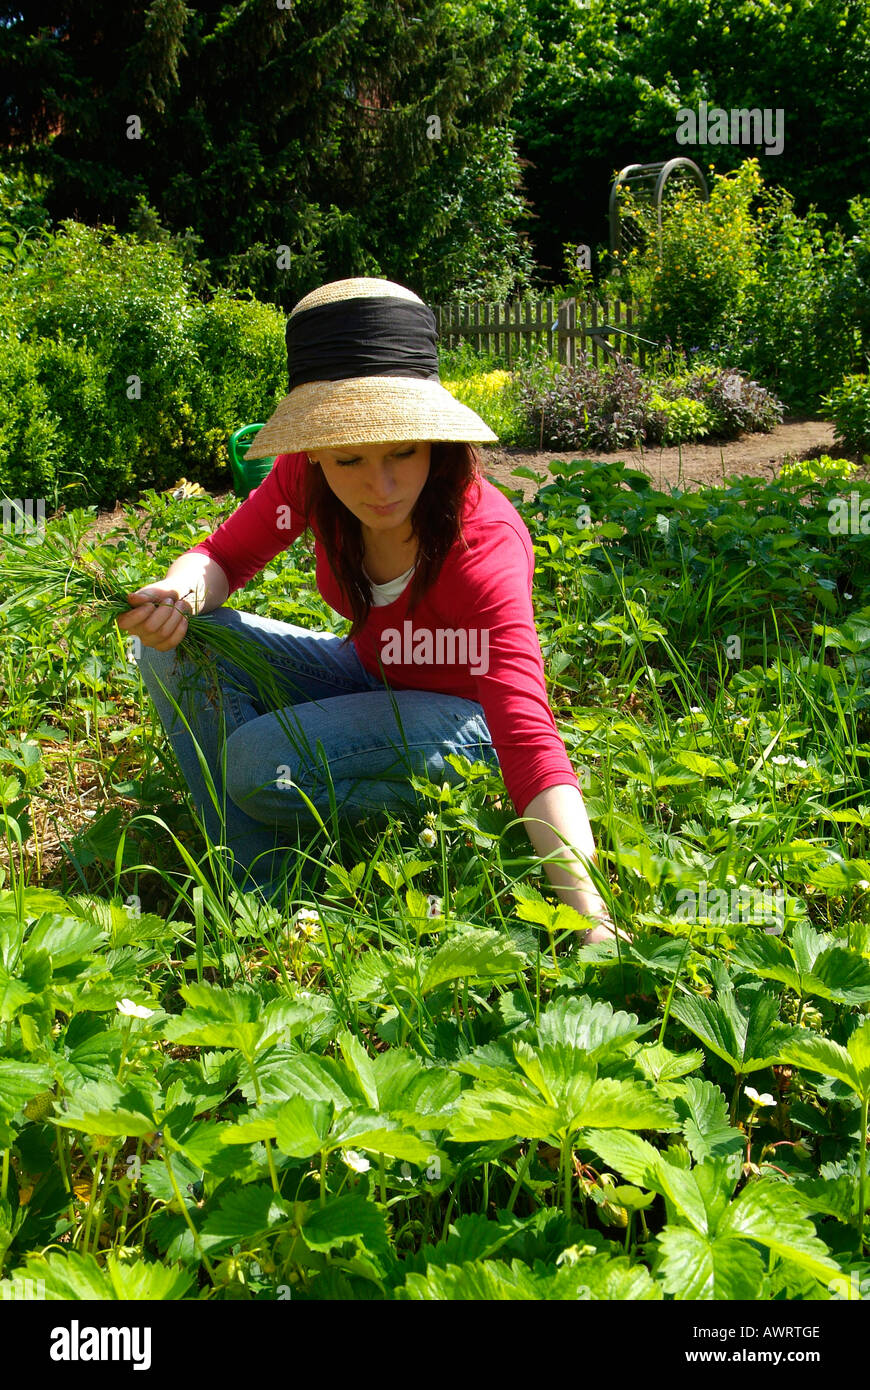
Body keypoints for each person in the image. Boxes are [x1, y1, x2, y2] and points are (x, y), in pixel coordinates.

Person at [116, 276, 625, 945]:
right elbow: (223, 557)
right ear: (317, 450)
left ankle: (437, 814)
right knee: (184, 642)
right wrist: (177, 595)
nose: (378, 486)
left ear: (433, 441)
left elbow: (526, 735)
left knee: (257, 760)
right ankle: (258, 889)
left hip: (468, 727)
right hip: (367, 672)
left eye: (403, 452)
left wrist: (592, 921)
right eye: (349, 457)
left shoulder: (482, 544)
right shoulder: (306, 478)